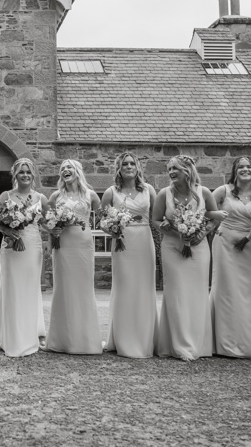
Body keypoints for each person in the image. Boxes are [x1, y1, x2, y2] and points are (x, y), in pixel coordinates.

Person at [152, 155, 219, 361]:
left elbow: (215, 218)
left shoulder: (204, 192)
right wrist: (175, 233)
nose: (171, 172)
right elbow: (154, 219)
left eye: (176, 169)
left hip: (199, 249)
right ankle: (178, 345)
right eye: (169, 169)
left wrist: (201, 233)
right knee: (176, 294)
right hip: (172, 247)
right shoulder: (164, 194)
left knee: (197, 293)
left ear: (188, 170)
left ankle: (200, 344)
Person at [0, 158, 49, 358]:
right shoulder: (6, 195)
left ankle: (28, 332)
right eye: (21, 172)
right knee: (11, 288)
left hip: (32, 246)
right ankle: (10, 335)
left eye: (28, 172)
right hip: (11, 247)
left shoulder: (41, 198)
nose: (25, 175)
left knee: (29, 288)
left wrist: (61, 228)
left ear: (33, 175)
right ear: (15, 175)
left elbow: (48, 223)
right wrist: (7, 231)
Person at [209, 156, 251, 358]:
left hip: (248, 245)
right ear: (235, 171)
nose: (245, 170)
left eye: (248, 167)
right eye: (240, 167)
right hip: (224, 243)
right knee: (224, 289)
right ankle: (221, 343)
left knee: (244, 291)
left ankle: (245, 341)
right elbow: (206, 211)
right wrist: (214, 222)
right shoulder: (223, 191)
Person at [101, 153, 157, 359]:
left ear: (138, 167)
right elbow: (101, 221)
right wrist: (112, 229)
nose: (129, 166)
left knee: (143, 287)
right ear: (118, 168)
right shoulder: (111, 192)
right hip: (122, 242)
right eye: (125, 164)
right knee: (124, 287)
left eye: (133, 163)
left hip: (143, 240)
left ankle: (145, 337)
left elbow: (157, 218)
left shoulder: (149, 190)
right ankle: (123, 339)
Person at [45, 159, 102, 355]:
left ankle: (85, 339)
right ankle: (62, 340)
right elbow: (48, 223)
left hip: (83, 244)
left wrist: (119, 226)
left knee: (83, 288)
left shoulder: (91, 195)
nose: (65, 171)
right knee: (63, 289)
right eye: (62, 169)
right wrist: (54, 230)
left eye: (69, 168)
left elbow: (103, 219)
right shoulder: (55, 196)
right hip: (63, 246)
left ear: (77, 171)